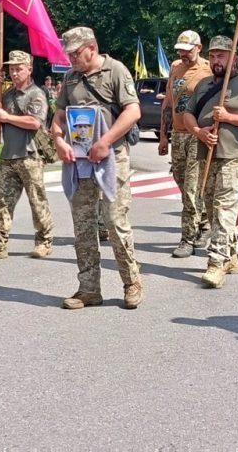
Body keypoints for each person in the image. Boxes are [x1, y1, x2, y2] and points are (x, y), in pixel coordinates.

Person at [51, 26, 143, 310]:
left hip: (111, 156)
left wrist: (105, 141)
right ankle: (89, 288)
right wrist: (59, 141)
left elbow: (133, 111)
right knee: (83, 224)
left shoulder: (115, 70)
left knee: (115, 222)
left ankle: (132, 283)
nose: (72, 59)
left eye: (76, 53)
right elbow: (59, 117)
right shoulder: (70, 78)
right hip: (80, 161)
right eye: (68, 55)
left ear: (92, 47)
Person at [183, 36, 238, 288]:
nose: (217, 60)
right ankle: (230, 255)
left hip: (234, 157)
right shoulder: (204, 84)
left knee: (223, 210)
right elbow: (188, 113)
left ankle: (215, 263)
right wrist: (199, 132)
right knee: (210, 207)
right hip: (207, 154)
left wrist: (229, 117)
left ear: (232, 56)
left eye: (222, 55)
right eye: (213, 55)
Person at [0, 50, 54, 261]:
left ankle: (44, 240)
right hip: (9, 155)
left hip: (30, 155)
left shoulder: (36, 94)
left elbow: (35, 122)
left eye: (19, 68)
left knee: (37, 201)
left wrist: (8, 117)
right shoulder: (7, 94)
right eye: (11, 68)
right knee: (3, 201)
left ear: (29, 69)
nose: (14, 72)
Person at [158, 29, 213, 258]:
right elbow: (169, 102)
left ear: (198, 48)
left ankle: (186, 239)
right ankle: (204, 222)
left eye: (187, 51)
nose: (183, 55)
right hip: (178, 134)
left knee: (191, 188)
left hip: (197, 134)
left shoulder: (208, 69)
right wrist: (163, 135)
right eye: (180, 50)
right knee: (181, 183)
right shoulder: (175, 68)